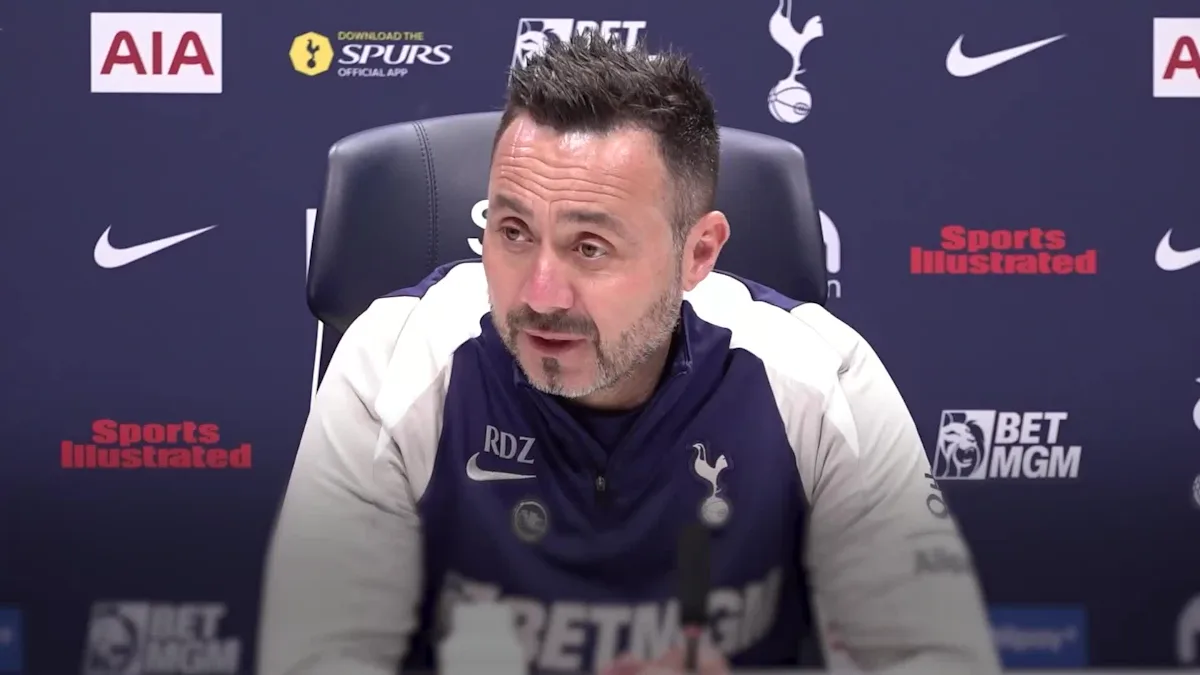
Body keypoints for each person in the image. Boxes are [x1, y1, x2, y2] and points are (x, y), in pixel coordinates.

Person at [257, 31, 1001, 675]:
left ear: (697, 254)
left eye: (591, 246)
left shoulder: (818, 374)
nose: (541, 292)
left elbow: (934, 652)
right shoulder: (394, 362)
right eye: (512, 232)